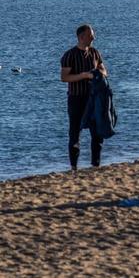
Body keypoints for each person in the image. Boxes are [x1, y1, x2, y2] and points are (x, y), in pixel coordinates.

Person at [61, 24, 107, 171]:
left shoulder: (95, 53)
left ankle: (95, 164)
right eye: (90, 35)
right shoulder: (69, 55)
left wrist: (100, 73)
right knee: (75, 133)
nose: (93, 37)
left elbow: (104, 69)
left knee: (97, 132)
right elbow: (64, 77)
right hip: (76, 98)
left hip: (93, 99)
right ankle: (74, 167)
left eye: (92, 35)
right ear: (81, 37)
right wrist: (84, 75)